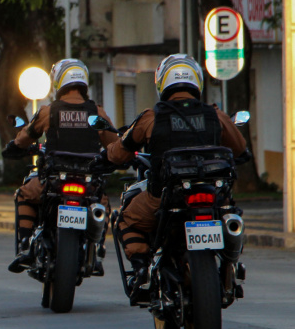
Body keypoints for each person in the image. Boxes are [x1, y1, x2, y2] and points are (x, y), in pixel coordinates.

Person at [105, 54, 248, 304]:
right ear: (197, 82)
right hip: (213, 195)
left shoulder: (151, 117)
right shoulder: (214, 115)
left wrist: (105, 156)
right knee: (231, 215)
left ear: (162, 83)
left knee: (126, 219)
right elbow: (240, 149)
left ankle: (142, 271)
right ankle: (229, 270)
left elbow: (119, 153)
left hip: (164, 198)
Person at [2, 58, 118, 273]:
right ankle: (97, 248)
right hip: (89, 183)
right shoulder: (97, 112)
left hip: (53, 181)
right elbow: (115, 146)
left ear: (58, 82)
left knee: (24, 195)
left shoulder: (49, 111)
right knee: (102, 204)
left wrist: (14, 146)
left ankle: (25, 246)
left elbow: (25, 137)